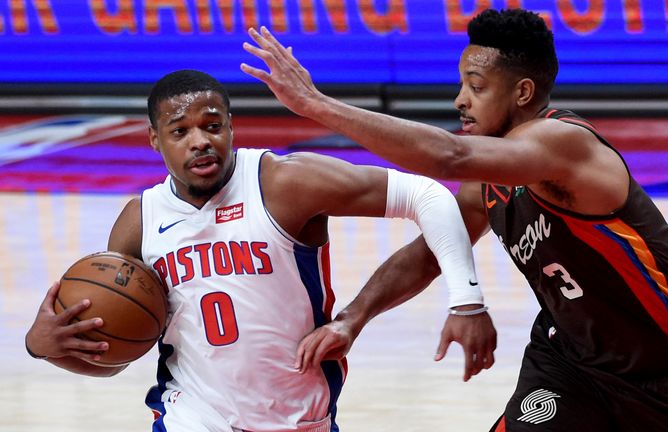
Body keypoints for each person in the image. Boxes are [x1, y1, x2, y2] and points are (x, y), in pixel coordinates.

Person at [240, 8, 668, 432]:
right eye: (462, 84)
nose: (460, 99)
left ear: (522, 93)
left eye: (475, 87)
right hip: (572, 369)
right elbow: (430, 250)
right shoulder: (491, 180)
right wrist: (353, 317)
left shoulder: (564, 144)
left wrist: (315, 105)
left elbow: (449, 156)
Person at [24, 69, 497, 432]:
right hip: (190, 417)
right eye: (180, 131)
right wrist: (44, 348)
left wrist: (465, 301)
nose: (201, 141)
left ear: (231, 126)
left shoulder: (284, 183)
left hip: (298, 417)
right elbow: (119, 352)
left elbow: (429, 197)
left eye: (212, 125)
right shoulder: (139, 220)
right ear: (154, 140)